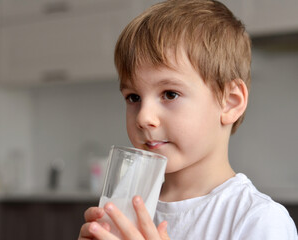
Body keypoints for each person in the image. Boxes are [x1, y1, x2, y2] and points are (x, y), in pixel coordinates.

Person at [78, 0, 298, 239]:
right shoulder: (125, 204)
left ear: (230, 102)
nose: (143, 117)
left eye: (170, 94)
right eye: (133, 97)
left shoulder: (258, 220)